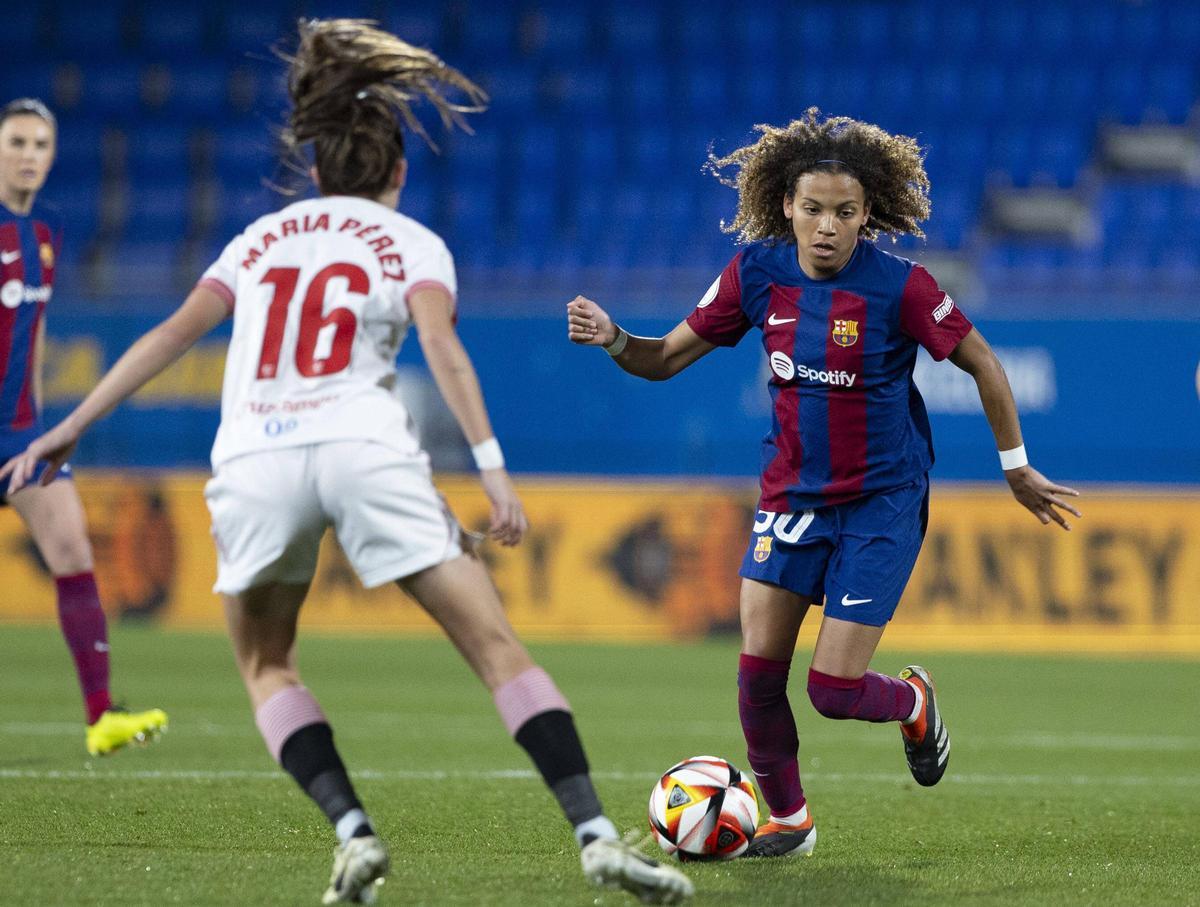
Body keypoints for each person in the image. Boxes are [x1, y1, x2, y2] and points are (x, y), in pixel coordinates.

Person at [1, 21, 692, 906]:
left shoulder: (258, 239)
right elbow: (442, 350)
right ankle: (595, 836)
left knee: (268, 665)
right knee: (495, 648)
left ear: (317, 171)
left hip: (254, 457)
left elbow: (171, 335)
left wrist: (70, 426)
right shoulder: (414, 245)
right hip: (365, 446)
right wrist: (491, 471)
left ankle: (353, 832)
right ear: (397, 172)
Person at [567, 108, 1082, 859]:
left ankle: (912, 699)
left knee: (833, 691)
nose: (827, 227)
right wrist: (615, 339)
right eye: (813, 209)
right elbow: (665, 357)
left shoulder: (902, 287)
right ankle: (789, 820)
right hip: (791, 499)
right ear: (786, 205)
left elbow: (983, 362)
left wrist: (1015, 465)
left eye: (844, 212)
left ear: (867, 214)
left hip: (881, 503)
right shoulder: (756, 274)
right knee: (756, 677)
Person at [0, 97, 167, 756]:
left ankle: (102, 716)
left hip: (20, 433)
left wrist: (38, 421)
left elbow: (35, 332)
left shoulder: (46, 233)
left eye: (40, 144)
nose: (28, 155)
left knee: (72, 548)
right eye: (16, 142)